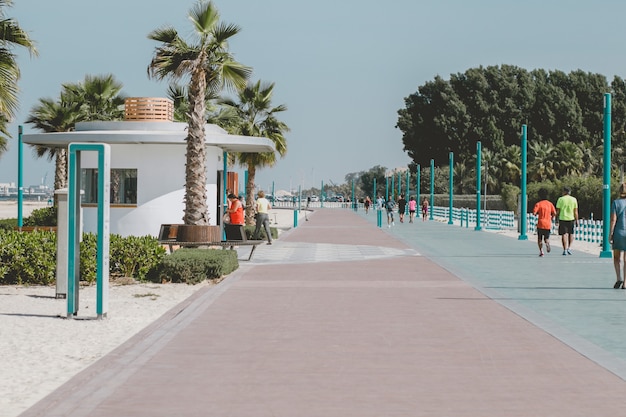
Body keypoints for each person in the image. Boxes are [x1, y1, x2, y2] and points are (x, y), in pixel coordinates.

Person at [610, 183, 626, 288]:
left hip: (619, 232)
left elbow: (613, 219)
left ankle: (618, 278)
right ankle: (625, 282)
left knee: (616, 257)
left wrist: (610, 233)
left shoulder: (616, 203)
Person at [532, 188, 556, 257]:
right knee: (546, 238)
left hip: (540, 223)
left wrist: (537, 213)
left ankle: (541, 251)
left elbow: (534, 213)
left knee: (539, 238)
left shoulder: (538, 204)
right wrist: (551, 218)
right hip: (548, 223)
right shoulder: (550, 204)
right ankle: (547, 243)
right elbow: (554, 213)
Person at [556, 186, 579, 255]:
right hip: (571, 218)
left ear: (564, 192)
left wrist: (556, 219)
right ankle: (569, 247)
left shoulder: (560, 199)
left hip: (563, 218)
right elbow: (575, 211)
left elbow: (558, 211)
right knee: (571, 233)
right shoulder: (574, 199)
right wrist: (577, 220)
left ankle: (565, 249)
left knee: (564, 234)